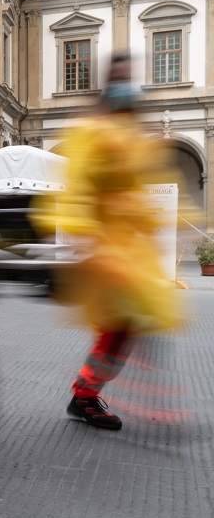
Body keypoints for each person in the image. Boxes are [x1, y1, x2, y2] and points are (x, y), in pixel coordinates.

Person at [32, 53, 184, 431]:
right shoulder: (91, 132)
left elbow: (139, 188)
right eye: (120, 77)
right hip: (107, 251)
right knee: (121, 327)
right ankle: (86, 396)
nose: (127, 85)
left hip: (130, 253)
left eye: (131, 77)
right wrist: (85, 238)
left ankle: (87, 394)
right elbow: (77, 190)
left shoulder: (133, 136)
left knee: (126, 328)